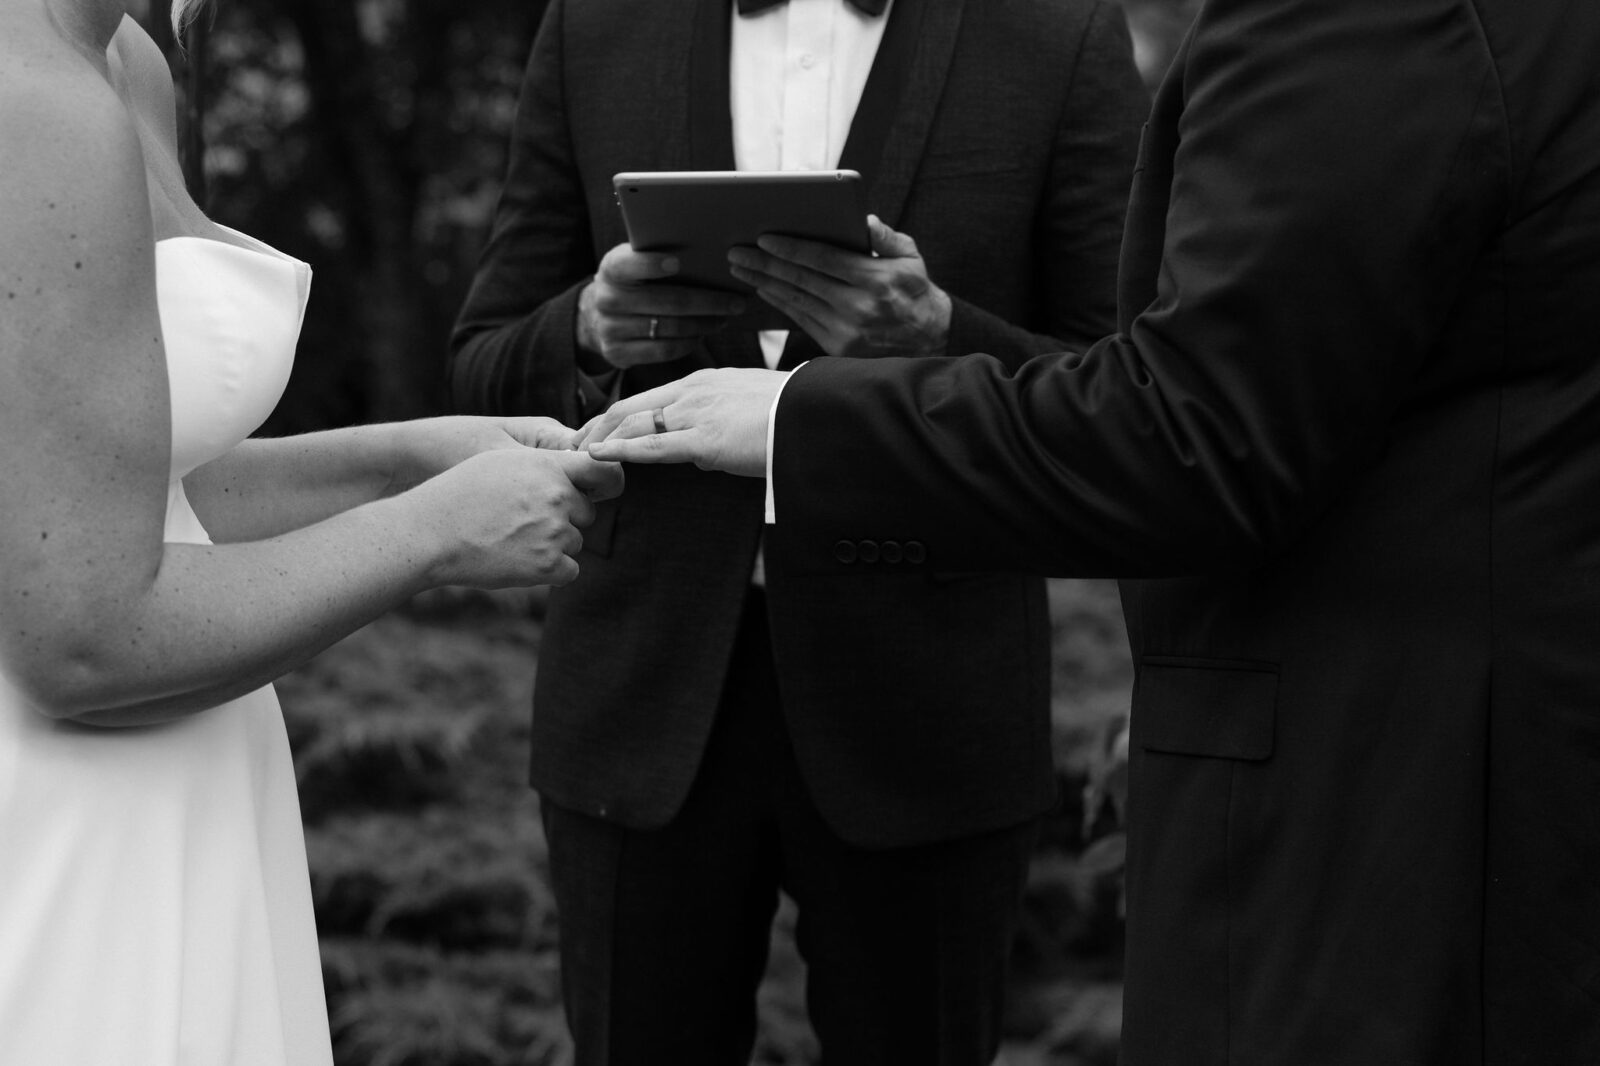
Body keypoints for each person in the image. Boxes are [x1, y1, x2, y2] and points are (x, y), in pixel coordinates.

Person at [580, 0, 1600, 1062]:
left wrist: (804, 419)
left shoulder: (1335, 20)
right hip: (644, 711)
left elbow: (1191, 424)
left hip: (1387, 812)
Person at [449, 0, 1147, 1061]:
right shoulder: (594, 25)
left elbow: (1122, 398)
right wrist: (588, 328)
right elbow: (485, 358)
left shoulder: (1058, 32)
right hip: (638, 704)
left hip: (931, 701)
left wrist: (940, 337)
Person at [0, 2, 622, 1063]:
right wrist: (427, 535)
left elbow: (129, 487)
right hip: (67, 814)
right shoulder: (32, 104)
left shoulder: (128, 61)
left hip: (195, 782)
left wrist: (406, 460)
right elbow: (82, 638)